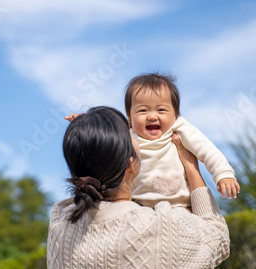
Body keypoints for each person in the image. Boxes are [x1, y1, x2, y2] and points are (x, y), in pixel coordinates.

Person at [48, 106, 230, 269]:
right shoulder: (163, 227)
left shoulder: (60, 220)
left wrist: (88, 137)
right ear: (130, 165)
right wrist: (191, 166)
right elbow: (218, 237)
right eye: (131, 135)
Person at [124, 73, 240, 208]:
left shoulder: (179, 129)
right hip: (140, 207)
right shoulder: (127, 138)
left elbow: (207, 149)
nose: (152, 116)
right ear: (129, 116)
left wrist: (223, 173)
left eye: (161, 110)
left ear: (175, 114)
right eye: (143, 110)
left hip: (181, 206)